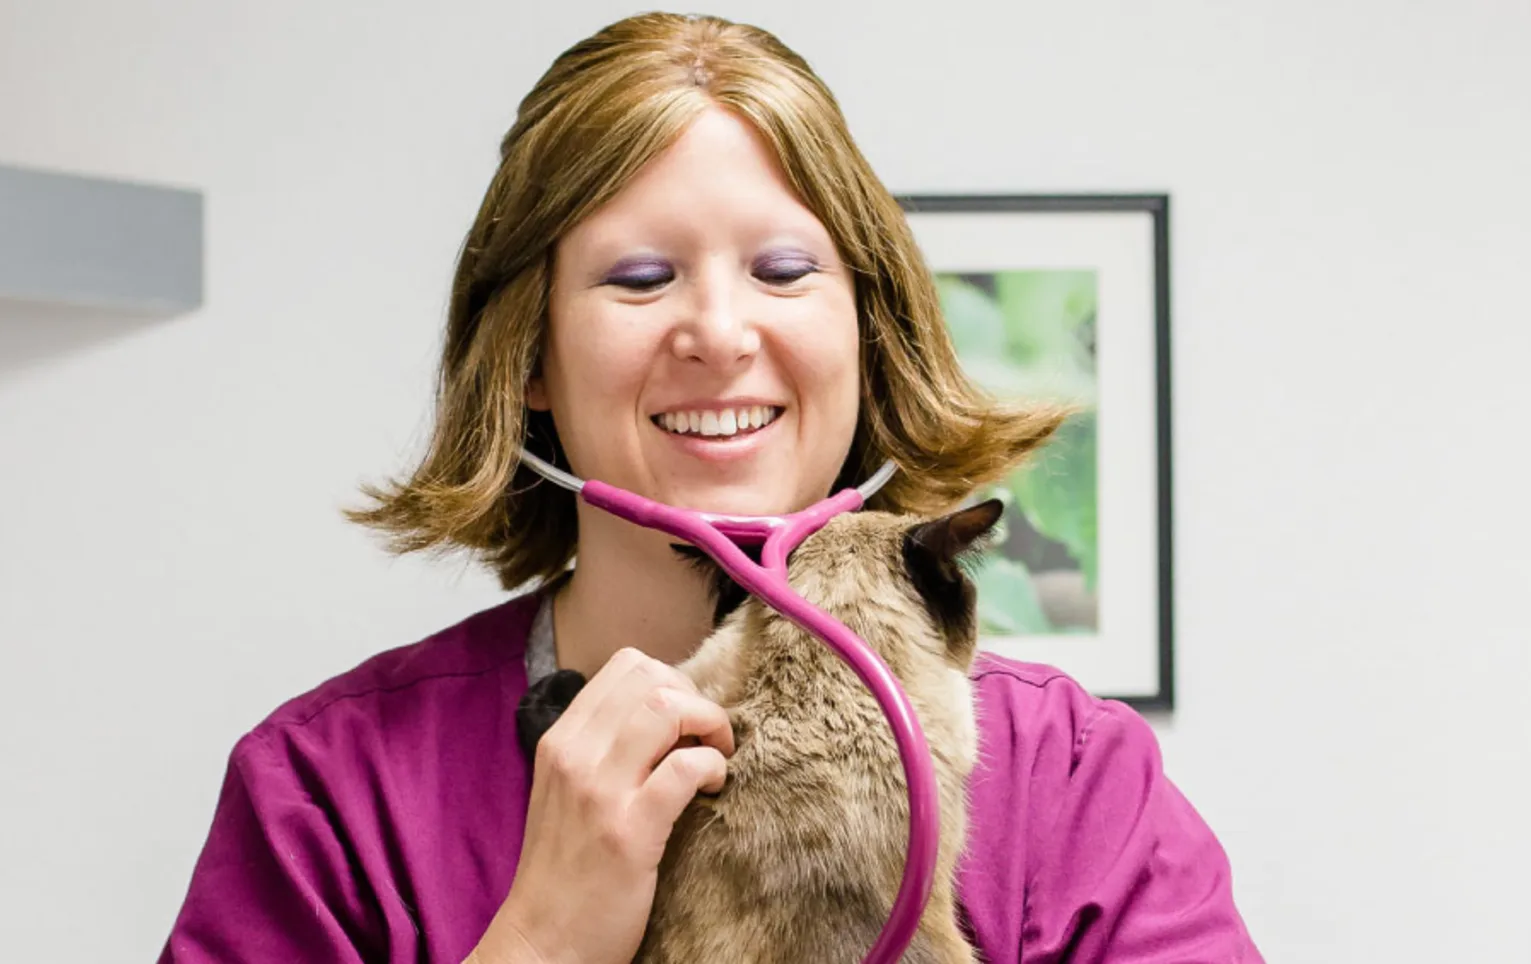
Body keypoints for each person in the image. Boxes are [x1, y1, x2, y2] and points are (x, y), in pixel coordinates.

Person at [157, 12, 1262, 964]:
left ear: (867, 334)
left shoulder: (1072, 779)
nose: (720, 334)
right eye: (639, 279)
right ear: (527, 358)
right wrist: (536, 939)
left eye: (783, 271)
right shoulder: (326, 795)